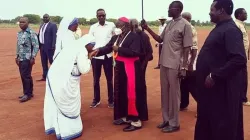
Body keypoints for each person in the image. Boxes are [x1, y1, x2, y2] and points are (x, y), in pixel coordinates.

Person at [194, 0, 246, 140]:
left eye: (212, 9)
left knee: (221, 127)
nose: (209, 12)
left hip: (222, 92)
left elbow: (239, 59)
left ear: (221, 10)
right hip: (212, 93)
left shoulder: (231, 30)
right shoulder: (221, 27)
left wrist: (215, 75)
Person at [141, 0, 193, 133]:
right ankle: (166, 120)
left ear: (178, 9)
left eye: (170, 8)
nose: (168, 10)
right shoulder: (169, 23)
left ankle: (175, 123)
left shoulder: (185, 25)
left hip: (175, 64)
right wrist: (147, 28)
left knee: (174, 95)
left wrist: (184, 67)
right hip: (164, 63)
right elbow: (160, 39)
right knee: (165, 93)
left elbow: (187, 48)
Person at [90, 17, 148, 132]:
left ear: (126, 26)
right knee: (121, 92)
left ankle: (136, 121)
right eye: (116, 25)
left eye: (119, 25)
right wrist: (98, 51)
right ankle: (126, 116)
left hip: (131, 68)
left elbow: (135, 52)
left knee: (131, 93)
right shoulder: (116, 37)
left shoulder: (134, 36)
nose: (117, 27)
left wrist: (119, 49)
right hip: (120, 68)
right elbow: (109, 47)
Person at [43, 16, 96, 140]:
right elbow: (84, 69)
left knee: (59, 102)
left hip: (58, 75)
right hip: (68, 78)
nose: (77, 26)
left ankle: (58, 128)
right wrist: (90, 57)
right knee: (68, 103)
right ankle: (69, 131)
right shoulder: (76, 44)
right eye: (76, 24)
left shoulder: (66, 38)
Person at [88, 8, 115, 108]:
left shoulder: (111, 25)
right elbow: (90, 41)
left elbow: (115, 37)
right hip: (96, 57)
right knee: (96, 79)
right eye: (99, 16)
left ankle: (111, 100)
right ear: (97, 17)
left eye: (103, 15)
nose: (101, 17)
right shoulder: (93, 27)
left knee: (109, 79)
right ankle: (96, 100)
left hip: (108, 56)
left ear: (105, 15)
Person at [130, 18, 153, 110]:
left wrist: (143, 65)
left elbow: (149, 52)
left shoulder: (143, 35)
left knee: (140, 84)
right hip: (132, 64)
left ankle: (141, 105)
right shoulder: (131, 35)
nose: (133, 28)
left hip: (141, 63)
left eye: (134, 26)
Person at [16, 17, 39, 102]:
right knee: (24, 75)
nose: (21, 24)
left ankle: (27, 94)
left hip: (27, 58)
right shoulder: (19, 33)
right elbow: (18, 46)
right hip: (21, 58)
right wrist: (17, 56)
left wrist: (33, 57)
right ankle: (29, 92)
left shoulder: (31, 33)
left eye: (23, 22)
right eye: (20, 22)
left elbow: (36, 46)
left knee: (25, 76)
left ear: (28, 23)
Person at [180, 12, 198, 113]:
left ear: (186, 18)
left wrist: (190, 64)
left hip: (189, 62)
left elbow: (194, 48)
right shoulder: (184, 27)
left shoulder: (190, 29)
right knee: (183, 84)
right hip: (183, 61)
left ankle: (202, 107)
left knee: (192, 85)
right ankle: (183, 104)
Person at [234, 8, 250, 106]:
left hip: (242, 55)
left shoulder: (241, 25)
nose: (247, 15)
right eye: (245, 13)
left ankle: (241, 98)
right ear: (239, 14)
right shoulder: (236, 25)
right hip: (239, 57)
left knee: (242, 77)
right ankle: (242, 99)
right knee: (242, 77)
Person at [37, 14, 57, 81]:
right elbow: (40, 35)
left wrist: (53, 45)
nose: (45, 18)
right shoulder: (41, 25)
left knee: (52, 62)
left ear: (49, 18)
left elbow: (55, 36)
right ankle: (45, 76)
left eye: (46, 17)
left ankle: (55, 76)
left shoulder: (53, 25)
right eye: (44, 17)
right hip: (42, 47)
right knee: (43, 62)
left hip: (49, 47)